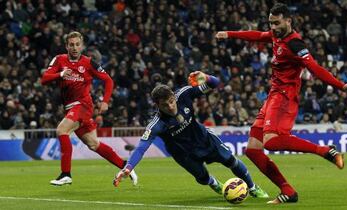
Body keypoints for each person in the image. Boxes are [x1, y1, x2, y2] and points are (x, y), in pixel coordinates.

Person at [215, 3, 347, 204]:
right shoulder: (276, 36)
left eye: (276, 23)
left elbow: (315, 68)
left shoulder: (295, 44)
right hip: (272, 96)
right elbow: (257, 35)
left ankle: (326, 151)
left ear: (288, 21)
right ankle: (288, 191)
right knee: (253, 150)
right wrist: (229, 34)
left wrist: (341, 86)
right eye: (270, 23)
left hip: (284, 97)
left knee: (272, 142)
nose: (272, 27)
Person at [113, 71, 268, 199]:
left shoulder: (184, 94)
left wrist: (205, 77)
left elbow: (215, 83)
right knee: (203, 178)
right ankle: (216, 184)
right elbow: (141, 147)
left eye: (171, 101)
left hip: (205, 139)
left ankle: (253, 187)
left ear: (174, 96)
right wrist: (128, 167)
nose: (170, 106)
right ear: (157, 105)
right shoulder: (157, 124)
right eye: (164, 105)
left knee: (231, 161)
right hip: (184, 154)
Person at [41, 31, 137, 186]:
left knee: (61, 130)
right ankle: (126, 166)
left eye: (77, 44)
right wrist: (60, 74)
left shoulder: (89, 62)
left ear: (82, 45)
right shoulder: (59, 60)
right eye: (71, 44)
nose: (74, 47)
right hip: (70, 107)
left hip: (83, 105)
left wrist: (105, 101)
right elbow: (44, 79)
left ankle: (66, 174)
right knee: (93, 144)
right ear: (66, 46)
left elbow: (109, 81)